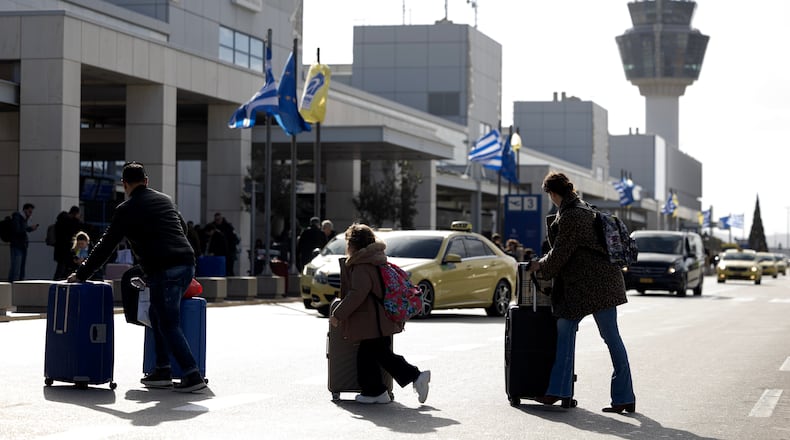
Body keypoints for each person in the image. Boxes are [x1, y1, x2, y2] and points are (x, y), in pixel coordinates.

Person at [67, 161, 206, 393]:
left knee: (169, 321)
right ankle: (162, 369)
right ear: (146, 181)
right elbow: (181, 227)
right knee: (156, 313)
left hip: (164, 269)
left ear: (125, 184)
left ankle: (192, 374)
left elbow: (105, 246)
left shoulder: (126, 209)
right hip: (186, 263)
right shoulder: (165, 200)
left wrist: (81, 274)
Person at [527, 171, 635, 414]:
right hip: (602, 284)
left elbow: (560, 254)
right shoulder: (584, 208)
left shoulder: (572, 216)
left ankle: (559, 390)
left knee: (567, 332)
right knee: (611, 338)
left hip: (588, 287)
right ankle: (624, 397)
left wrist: (539, 265)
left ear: (553, 193)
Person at [329, 224, 431, 404]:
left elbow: (357, 294)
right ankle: (375, 391)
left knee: (379, 355)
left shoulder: (362, 265)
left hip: (373, 321)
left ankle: (415, 377)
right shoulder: (376, 259)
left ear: (353, 245)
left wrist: (338, 314)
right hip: (379, 318)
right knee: (371, 355)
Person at [7, 203, 39, 282]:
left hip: (22, 245)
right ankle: (14, 284)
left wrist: (30, 229)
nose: (30, 214)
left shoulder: (23, 219)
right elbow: (18, 230)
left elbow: (22, 230)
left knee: (20, 267)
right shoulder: (17, 217)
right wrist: (28, 228)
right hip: (17, 245)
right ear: (24, 210)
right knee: (16, 268)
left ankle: (17, 283)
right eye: (29, 212)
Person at [53, 206, 82, 280]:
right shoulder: (71, 223)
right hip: (67, 249)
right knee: (65, 268)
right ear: (75, 213)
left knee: (61, 268)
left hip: (60, 249)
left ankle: (57, 280)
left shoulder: (60, 221)